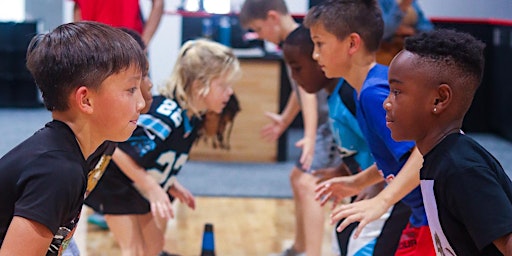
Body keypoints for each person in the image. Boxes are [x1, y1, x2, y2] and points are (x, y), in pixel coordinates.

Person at [0, 21, 147, 255]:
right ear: (86, 100)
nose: (141, 103)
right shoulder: (57, 171)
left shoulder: (71, 154)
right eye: (131, 90)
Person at [84, 39, 241, 256]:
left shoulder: (192, 117)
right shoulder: (167, 116)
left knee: (155, 246)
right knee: (135, 250)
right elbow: (118, 148)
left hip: (134, 182)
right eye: (223, 86)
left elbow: (152, 154)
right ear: (199, 86)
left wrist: (169, 181)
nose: (230, 92)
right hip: (112, 180)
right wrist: (152, 187)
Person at [304, 0, 435, 255]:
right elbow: (398, 158)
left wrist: (382, 201)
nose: (314, 54)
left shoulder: (374, 94)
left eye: (319, 43)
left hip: (436, 215)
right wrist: (357, 182)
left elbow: (425, 151)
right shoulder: (367, 89)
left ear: (352, 43)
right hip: (423, 215)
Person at [283, 24, 410, 256]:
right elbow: (364, 145)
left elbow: (399, 151)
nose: (294, 77)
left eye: (297, 68)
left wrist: (373, 185)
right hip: (367, 189)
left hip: (391, 197)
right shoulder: (336, 97)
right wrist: (341, 170)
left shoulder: (357, 95)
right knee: (342, 238)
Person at [384, 29, 512, 255]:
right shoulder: (438, 159)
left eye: (397, 91)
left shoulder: (460, 169)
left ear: (439, 99)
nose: (387, 103)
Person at [240, 1, 342, 255]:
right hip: (322, 124)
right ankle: (299, 247)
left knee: (310, 184)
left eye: (258, 28)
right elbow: (300, 89)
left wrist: (308, 136)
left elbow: (307, 91)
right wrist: (285, 120)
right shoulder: (293, 42)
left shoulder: (299, 42)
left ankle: (312, 252)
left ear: (273, 17)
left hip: (330, 123)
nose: (259, 36)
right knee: (297, 178)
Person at [73, 0, 164, 46]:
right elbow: (78, 7)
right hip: (92, 45)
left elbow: (158, 3)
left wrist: (144, 43)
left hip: (128, 44)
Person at [376, 0, 434, 65]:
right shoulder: (379, 2)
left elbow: (428, 29)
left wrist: (413, 31)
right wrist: (402, 7)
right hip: (385, 48)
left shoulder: (413, 2)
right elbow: (383, 30)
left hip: (410, 47)